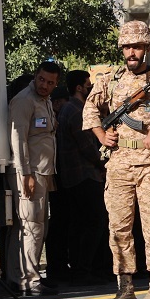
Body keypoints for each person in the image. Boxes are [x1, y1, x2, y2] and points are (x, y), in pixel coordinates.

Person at [85, 20, 150, 299]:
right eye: (127, 47)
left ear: (146, 48)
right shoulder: (110, 80)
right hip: (119, 163)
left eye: (136, 47)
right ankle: (125, 286)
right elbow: (90, 108)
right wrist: (102, 135)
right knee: (119, 227)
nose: (131, 53)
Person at [51, 69, 108, 286]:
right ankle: (84, 269)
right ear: (79, 88)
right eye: (88, 86)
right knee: (95, 221)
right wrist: (102, 163)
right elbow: (87, 146)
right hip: (84, 175)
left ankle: (79, 268)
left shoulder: (69, 109)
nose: (90, 89)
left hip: (74, 176)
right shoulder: (77, 111)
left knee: (79, 224)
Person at [10, 61, 62, 296]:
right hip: (30, 172)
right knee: (31, 225)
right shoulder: (25, 100)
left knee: (38, 225)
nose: (45, 85)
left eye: (50, 82)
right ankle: (28, 280)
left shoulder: (45, 100)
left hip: (43, 171)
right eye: (42, 79)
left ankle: (26, 276)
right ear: (35, 76)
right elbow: (18, 138)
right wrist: (26, 174)